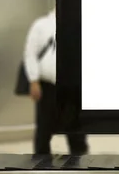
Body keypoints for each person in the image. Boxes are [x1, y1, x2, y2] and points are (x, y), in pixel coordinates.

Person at [24, 8, 88, 155]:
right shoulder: (41, 25)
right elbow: (30, 54)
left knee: (76, 130)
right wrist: (33, 81)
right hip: (48, 86)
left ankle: (80, 165)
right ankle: (41, 167)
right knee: (44, 129)